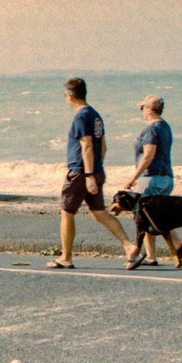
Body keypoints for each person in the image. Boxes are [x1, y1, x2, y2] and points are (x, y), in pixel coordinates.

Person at [47, 78, 143, 269]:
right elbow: (103, 147)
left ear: (70, 95)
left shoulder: (81, 117)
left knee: (67, 212)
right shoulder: (95, 115)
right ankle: (129, 245)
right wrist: (97, 170)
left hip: (81, 173)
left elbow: (88, 146)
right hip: (95, 170)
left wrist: (89, 176)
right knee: (99, 213)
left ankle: (66, 257)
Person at [124, 94, 182, 265]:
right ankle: (178, 243)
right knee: (159, 217)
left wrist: (133, 178)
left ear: (150, 109)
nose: (142, 111)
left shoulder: (151, 129)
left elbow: (148, 156)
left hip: (150, 178)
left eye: (142, 108)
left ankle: (151, 256)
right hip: (166, 178)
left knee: (145, 217)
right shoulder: (165, 126)